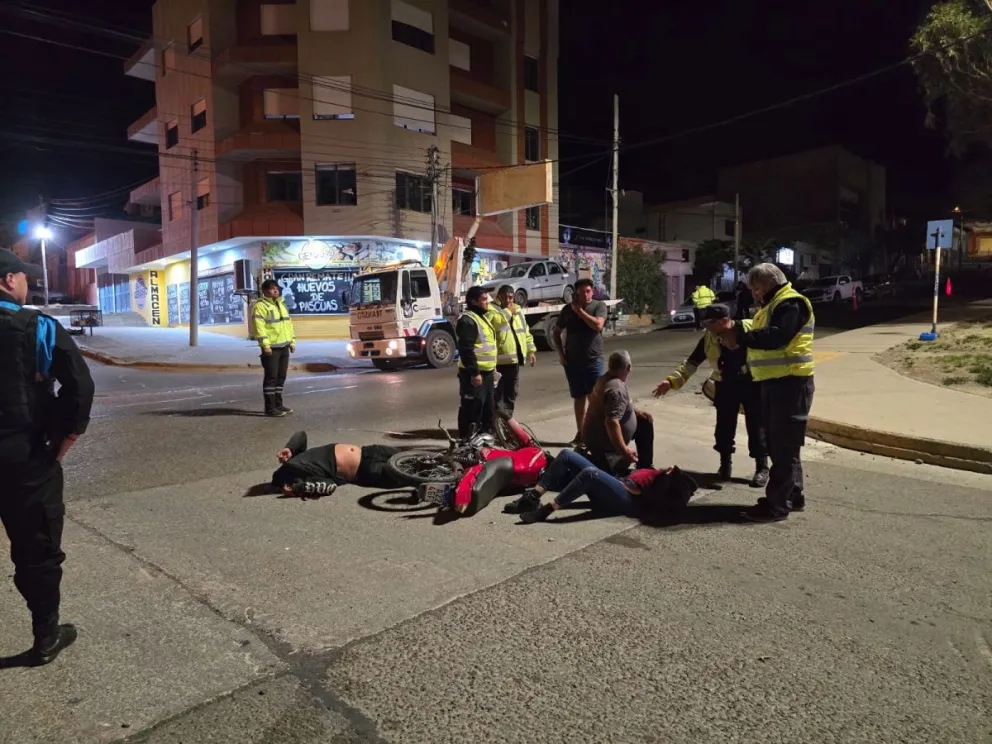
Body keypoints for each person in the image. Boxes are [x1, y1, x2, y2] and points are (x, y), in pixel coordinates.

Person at [0, 248, 94, 665]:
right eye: (23, 277)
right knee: (36, 548)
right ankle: (46, 636)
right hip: (24, 457)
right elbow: (79, 387)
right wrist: (69, 434)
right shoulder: (36, 326)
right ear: (8, 280)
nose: (27, 284)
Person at [712, 262, 815, 522]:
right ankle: (793, 495)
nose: (755, 294)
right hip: (776, 382)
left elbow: (778, 336)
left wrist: (743, 338)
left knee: (782, 446)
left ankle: (776, 505)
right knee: (785, 446)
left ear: (769, 283)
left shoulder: (791, 303)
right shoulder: (771, 306)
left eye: (757, 288)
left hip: (790, 383)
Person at [653, 303, 768, 487]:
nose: (707, 326)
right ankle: (725, 465)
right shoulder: (709, 338)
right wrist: (672, 381)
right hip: (725, 385)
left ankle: (762, 468)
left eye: (710, 322)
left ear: (724, 321)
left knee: (757, 427)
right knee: (723, 428)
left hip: (752, 383)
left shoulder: (750, 328)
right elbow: (691, 363)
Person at [517, 449, 698, 524]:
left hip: (625, 499)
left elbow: (654, 500)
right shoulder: (655, 472)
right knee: (566, 454)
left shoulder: (667, 483)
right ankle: (533, 497)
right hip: (618, 484)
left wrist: (633, 489)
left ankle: (546, 511)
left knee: (590, 473)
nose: (671, 467)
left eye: (673, 470)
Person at [552, 278, 608, 445]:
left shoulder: (599, 306)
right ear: (576, 293)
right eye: (583, 292)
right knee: (578, 398)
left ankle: (598, 433)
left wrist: (581, 313)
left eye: (589, 291)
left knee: (595, 398)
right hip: (573, 361)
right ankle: (581, 434)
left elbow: (598, 326)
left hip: (593, 359)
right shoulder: (567, 310)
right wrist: (561, 354)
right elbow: (557, 332)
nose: (586, 294)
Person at [582, 349, 654, 473]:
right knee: (644, 426)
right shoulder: (616, 388)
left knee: (644, 422)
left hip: (594, 436)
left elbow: (613, 406)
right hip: (602, 441)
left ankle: (644, 465)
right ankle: (642, 468)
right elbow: (611, 422)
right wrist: (624, 451)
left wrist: (635, 412)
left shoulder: (604, 379)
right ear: (629, 367)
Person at [271, 431, 404, 498]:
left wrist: (289, 448)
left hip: (368, 451)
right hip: (364, 469)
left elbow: (301, 435)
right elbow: (328, 487)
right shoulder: (307, 475)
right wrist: (299, 488)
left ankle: (418, 479)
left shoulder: (297, 459)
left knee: (412, 458)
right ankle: (420, 485)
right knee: (400, 475)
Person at [455, 286, 498, 438]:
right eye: (484, 299)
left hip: (486, 374)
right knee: (472, 410)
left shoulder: (481, 316)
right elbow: (466, 349)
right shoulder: (467, 320)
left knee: (488, 410)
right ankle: (465, 443)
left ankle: (484, 442)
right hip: (473, 376)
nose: (488, 302)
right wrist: (474, 372)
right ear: (474, 301)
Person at [489, 284, 537, 419]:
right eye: (505, 297)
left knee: (511, 393)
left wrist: (530, 351)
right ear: (499, 296)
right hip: (498, 361)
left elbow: (524, 331)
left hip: (514, 359)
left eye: (510, 297)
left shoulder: (518, 310)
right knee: (498, 393)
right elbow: (496, 323)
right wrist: (509, 312)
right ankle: (497, 423)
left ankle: (507, 421)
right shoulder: (492, 309)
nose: (508, 300)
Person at [251, 279, 297, 417]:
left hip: (284, 346)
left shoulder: (282, 304)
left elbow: (288, 325)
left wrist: (292, 342)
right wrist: (265, 345)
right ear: (265, 291)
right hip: (271, 348)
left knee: (281, 377)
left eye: (277, 288)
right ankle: (270, 408)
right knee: (271, 378)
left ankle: (279, 404)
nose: (276, 290)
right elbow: (259, 328)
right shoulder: (260, 306)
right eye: (272, 288)